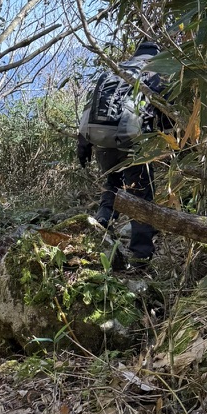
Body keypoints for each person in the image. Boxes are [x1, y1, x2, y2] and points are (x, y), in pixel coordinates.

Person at [77, 40, 168, 267]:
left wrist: (84, 144)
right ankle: (140, 256)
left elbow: (91, 107)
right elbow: (164, 111)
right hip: (133, 141)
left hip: (101, 137)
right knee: (140, 197)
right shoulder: (155, 72)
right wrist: (167, 139)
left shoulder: (115, 70)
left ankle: (101, 226)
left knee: (113, 183)